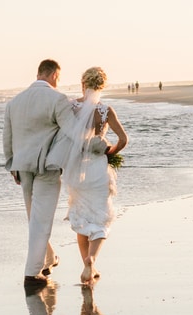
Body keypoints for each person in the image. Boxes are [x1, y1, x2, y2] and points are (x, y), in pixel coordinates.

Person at [52, 67, 128, 285]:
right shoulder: (106, 111)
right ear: (102, 86)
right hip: (97, 169)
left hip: (77, 170)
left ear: (82, 84)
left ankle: (87, 264)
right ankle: (92, 259)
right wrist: (109, 152)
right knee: (101, 217)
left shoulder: (71, 106)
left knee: (82, 217)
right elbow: (123, 139)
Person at [3, 59, 75, 287]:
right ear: (54, 75)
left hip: (22, 166)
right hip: (47, 166)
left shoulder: (15, 102)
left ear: (38, 73)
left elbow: (8, 137)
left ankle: (48, 258)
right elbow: (73, 131)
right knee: (41, 219)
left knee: (34, 217)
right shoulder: (58, 99)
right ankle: (32, 273)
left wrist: (11, 164)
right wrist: (99, 148)